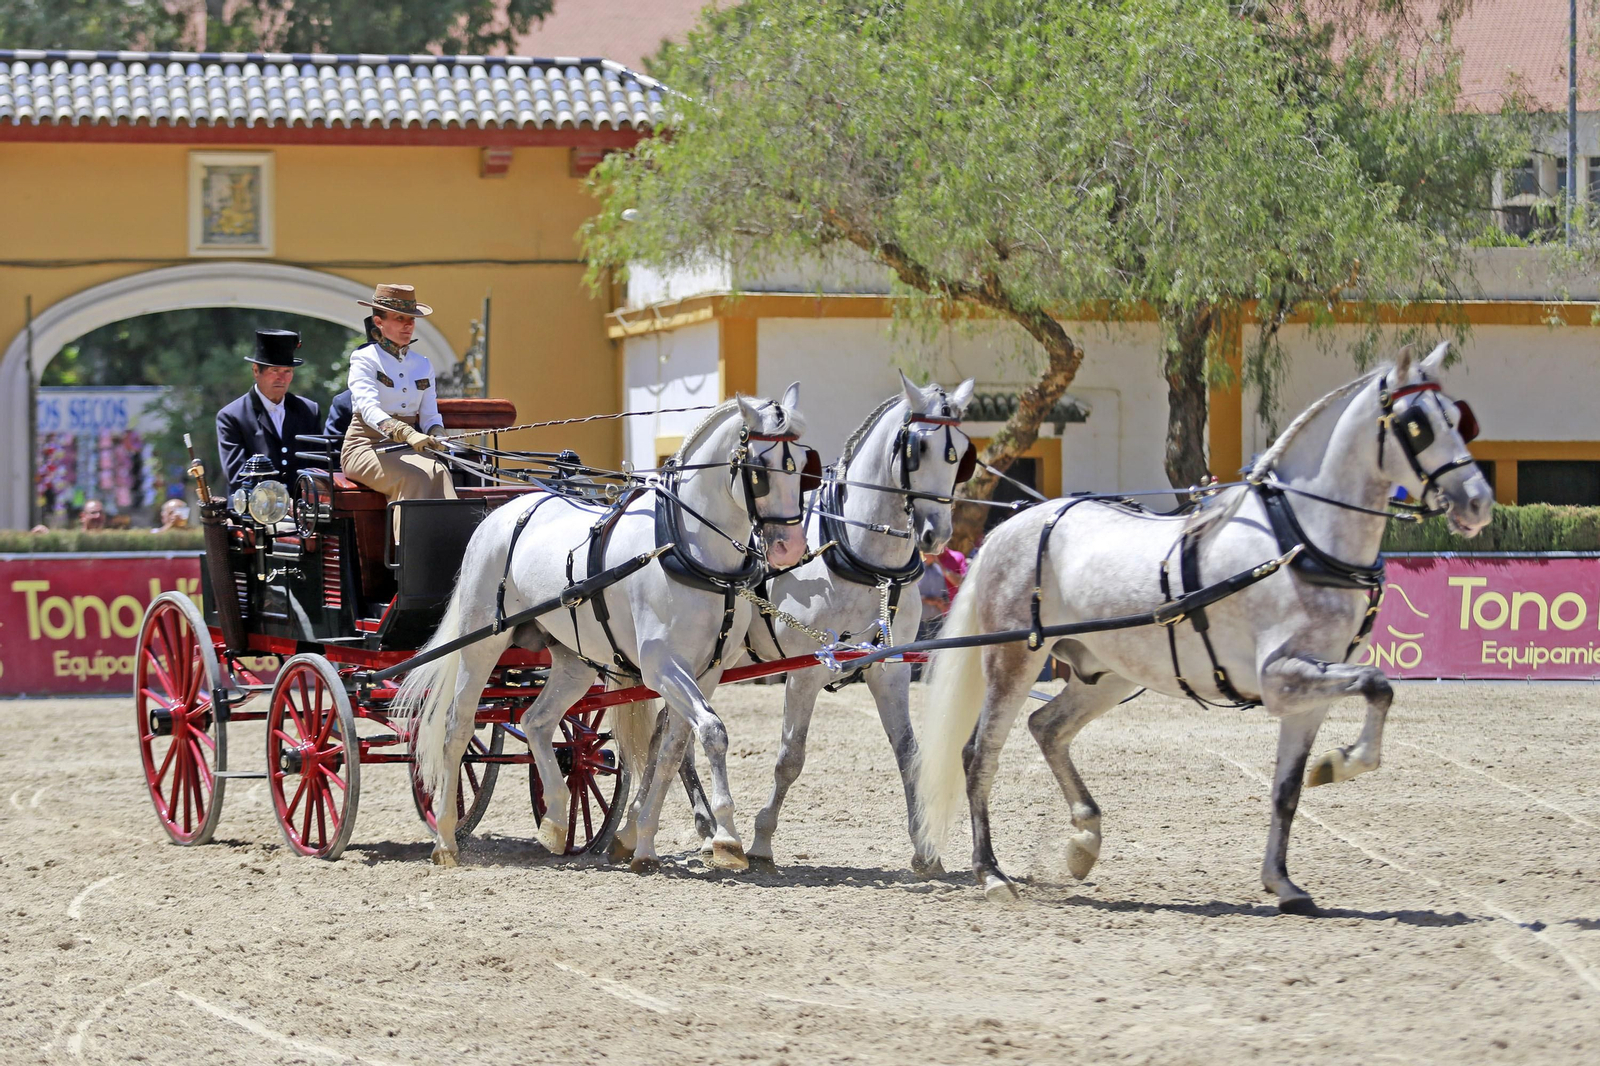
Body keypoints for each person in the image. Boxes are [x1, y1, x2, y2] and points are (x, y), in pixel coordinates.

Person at [340, 284, 455, 503]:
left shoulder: (423, 364)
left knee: (439, 470)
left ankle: (447, 527)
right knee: (414, 477)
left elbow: (430, 415)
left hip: (408, 448)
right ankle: (408, 528)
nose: (408, 325)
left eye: (411, 319)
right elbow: (368, 409)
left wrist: (438, 434)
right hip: (366, 447)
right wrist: (407, 433)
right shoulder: (364, 358)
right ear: (379, 322)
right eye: (399, 318)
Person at [216, 329, 323, 492]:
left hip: (302, 505)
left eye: (287, 371)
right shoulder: (231, 416)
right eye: (274, 370)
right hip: (253, 504)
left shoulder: (308, 410)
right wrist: (278, 502)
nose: (282, 378)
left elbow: (319, 467)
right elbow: (238, 477)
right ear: (256, 371)